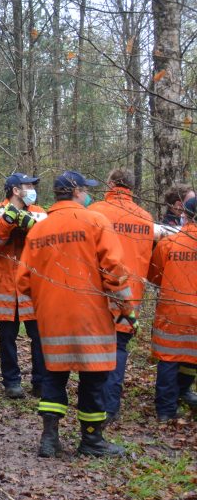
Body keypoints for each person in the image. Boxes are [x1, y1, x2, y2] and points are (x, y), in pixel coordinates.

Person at [19, 171, 132, 457]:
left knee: (53, 375)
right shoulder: (96, 221)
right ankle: (91, 440)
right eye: (86, 190)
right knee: (93, 377)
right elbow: (115, 270)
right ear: (77, 192)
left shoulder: (38, 229)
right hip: (90, 315)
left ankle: (49, 439)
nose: (87, 195)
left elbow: (23, 280)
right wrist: (127, 309)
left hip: (52, 318)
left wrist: (46, 299)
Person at [88, 169, 154, 422]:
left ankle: (94, 407)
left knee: (97, 350)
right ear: (131, 188)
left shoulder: (95, 211)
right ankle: (110, 408)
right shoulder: (146, 218)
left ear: (111, 184)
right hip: (129, 295)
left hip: (97, 293)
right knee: (119, 348)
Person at [0, 172, 49, 399]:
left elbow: (45, 246)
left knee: (38, 335)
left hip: (31, 286)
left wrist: (31, 227)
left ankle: (40, 382)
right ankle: (11, 382)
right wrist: (8, 221)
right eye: (28, 186)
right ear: (15, 190)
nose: (32, 190)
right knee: (7, 337)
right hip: (5, 287)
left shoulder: (38, 213)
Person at [147, 196, 197, 422]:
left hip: (173, 312)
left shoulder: (169, 243)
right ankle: (182, 392)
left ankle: (166, 410)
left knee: (169, 357)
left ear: (185, 215)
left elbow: (155, 276)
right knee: (191, 356)